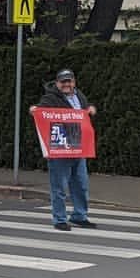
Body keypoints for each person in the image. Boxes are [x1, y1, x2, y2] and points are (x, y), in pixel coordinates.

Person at [31, 69, 97, 231]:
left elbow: (85, 110)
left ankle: (79, 215)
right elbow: (40, 111)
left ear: (74, 82)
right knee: (59, 186)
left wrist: (90, 109)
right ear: (57, 83)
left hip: (78, 146)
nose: (67, 84)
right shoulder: (50, 98)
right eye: (63, 81)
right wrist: (34, 111)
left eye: (69, 81)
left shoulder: (79, 95)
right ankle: (59, 218)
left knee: (81, 184)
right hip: (60, 148)